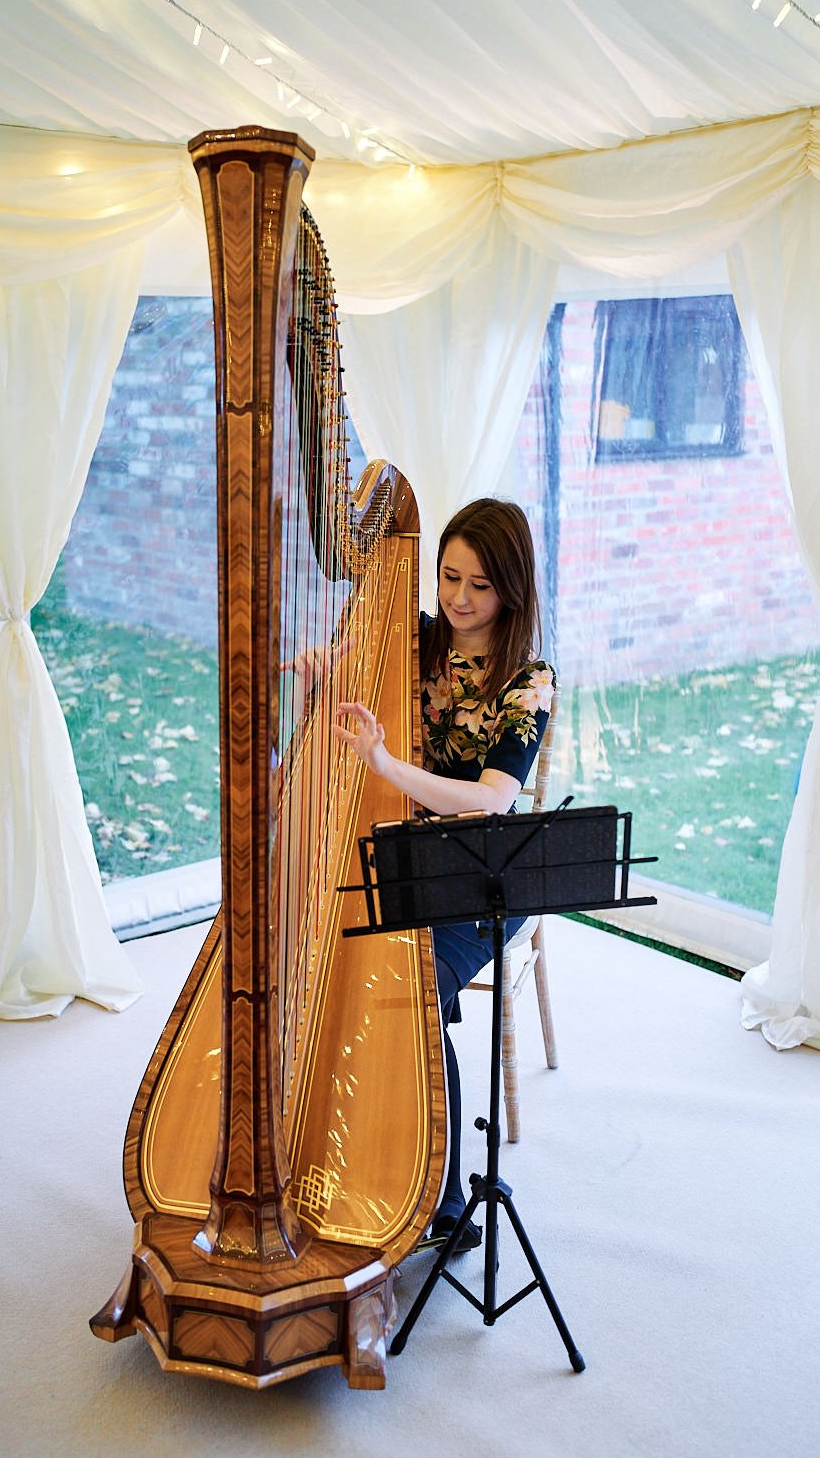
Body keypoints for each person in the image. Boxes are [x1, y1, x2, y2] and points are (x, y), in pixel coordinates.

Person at [334, 496, 555, 1249]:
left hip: (482, 874)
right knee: (344, 958)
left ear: (513, 590)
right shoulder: (416, 639)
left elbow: (491, 801)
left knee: (410, 987)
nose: (458, 600)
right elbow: (352, 679)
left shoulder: (529, 680)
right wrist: (319, 667)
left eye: (480, 585)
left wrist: (388, 765)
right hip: (404, 852)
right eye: (448, 577)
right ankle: (361, 1155)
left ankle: (441, 1198)